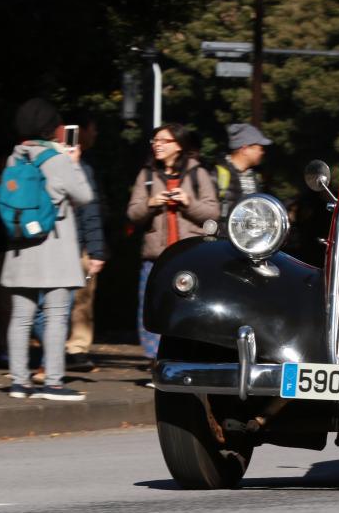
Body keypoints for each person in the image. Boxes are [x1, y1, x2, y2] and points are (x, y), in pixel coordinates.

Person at [0, 98, 92, 400]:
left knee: (21, 316)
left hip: (20, 247)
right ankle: (53, 382)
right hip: (55, 249)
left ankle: (19, 382)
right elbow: (84, 196)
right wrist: (74, 162)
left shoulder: (14, 159)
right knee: (55, 316)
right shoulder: (58, 159)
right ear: (50, 127)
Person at [126, 123, 218, 365]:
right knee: (152, 307)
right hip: (156, 256)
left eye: (163, 141)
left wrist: (189, 202)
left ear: (178, 145)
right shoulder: (146, 175)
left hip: (189, 255)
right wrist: (151, 202)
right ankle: (154, 360)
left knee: (189, 308)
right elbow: (133, 214)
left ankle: (186, 357)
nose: (157, 145)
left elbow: (213, 213)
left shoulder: (198, 174)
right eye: (155, 141)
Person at [64, 116, 107, 372]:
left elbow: (90, 210)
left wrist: (95, 250)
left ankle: (77, 348)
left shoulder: (85, 168)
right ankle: (58, 348)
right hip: (58, 245)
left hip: (78, 245)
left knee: (82, 298)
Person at [214, 122, 272, 221]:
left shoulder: (256, 176)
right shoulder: (218, 175)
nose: (262, 152)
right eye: (259, 148)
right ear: (245, 149)